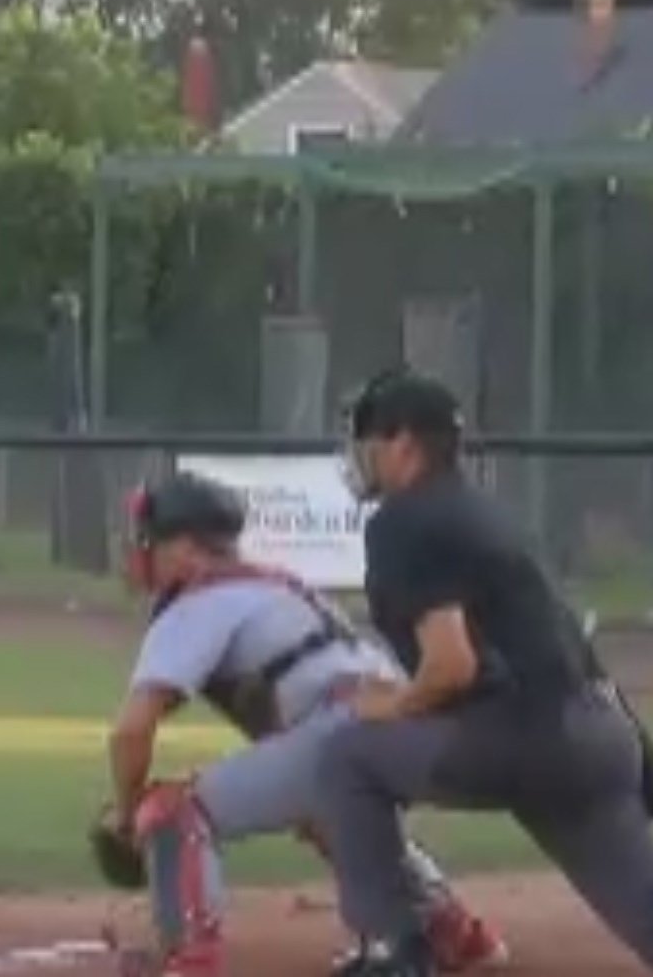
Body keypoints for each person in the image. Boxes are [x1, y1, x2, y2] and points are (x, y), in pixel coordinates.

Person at [314, 367, 653, 976]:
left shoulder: (403, 519)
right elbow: (568, 648)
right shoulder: (485, 514)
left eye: (370, 441)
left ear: (405, 445)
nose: (361, 456)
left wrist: (392, 705)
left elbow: (451, 665)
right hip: (599, 735)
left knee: (348, 754)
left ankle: (395, 947)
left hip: (525, 739)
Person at [101, 471, 505, 977]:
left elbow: (131, 732)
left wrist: (126, 815)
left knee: (170, 813)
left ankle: (189, 961)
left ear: (184, 548)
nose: (136, 549)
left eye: (148, 539)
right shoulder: (272, 584)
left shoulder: (197, 602)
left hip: (347, 722)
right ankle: (450, 931)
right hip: (402, 718)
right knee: (333, 815)